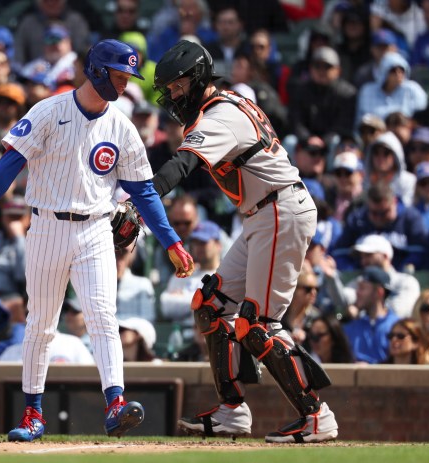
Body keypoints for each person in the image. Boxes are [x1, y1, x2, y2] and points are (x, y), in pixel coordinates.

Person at [0, 39, 194, 442]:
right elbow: (12, 160)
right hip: (47, 225)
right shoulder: (50, 110)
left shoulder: (121, 125)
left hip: (96, 229)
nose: (124, 86)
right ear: (98, 71)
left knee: (104, 317)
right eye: (120, 76)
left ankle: (115, 404)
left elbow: (143, 191)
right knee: (41, 325)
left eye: (127, 78)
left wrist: (171, 241)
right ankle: (33, 413)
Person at [151, 39, 338, 443]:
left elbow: (184, 163)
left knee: (256, 323)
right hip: (263, 213)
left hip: (280, 209)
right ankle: (232, 412)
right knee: (212, 303)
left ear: (199, 77)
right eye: (168, 89)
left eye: (177, 86)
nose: (172, 95)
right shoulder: (221, 105)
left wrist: (142, 200)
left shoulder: (220, 114)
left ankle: (316, 416)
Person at [343, 265, 400, 364]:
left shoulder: (397, 325)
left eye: (362, 288)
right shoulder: (351, 326)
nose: (357, 293)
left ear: (379, 292)